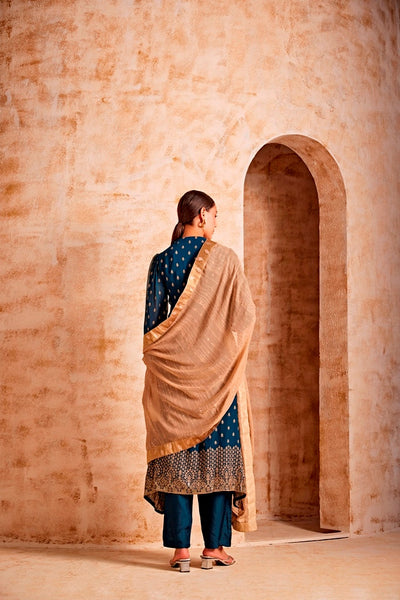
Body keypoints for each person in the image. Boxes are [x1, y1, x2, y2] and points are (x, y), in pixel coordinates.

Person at [142, 190, 257, 572]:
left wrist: (172, 362)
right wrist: (220, 354)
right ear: (202, 215)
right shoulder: (225, 259)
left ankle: (180, 552)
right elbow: (244, 316)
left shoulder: (162, 261)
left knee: (177, 457)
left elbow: (152, 326)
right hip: (217, 379)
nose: (216, 223)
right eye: (215, 215)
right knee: (217, 458)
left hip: (173, 379)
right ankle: (214, 548)